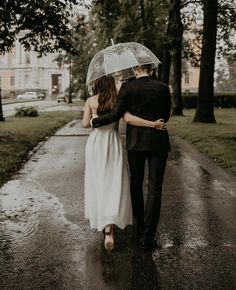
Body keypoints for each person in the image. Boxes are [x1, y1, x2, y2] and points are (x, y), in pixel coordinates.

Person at [92, 65, 171, 250]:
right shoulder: (164, 88)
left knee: (136, 183)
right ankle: (147, 237)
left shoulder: (128, 87)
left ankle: (140, 226)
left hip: (136, 143)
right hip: (159, 142)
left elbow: (116, 114)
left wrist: (98, 120)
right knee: (155, 188)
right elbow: (166, 116)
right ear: (151, 69)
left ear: (136, 69)